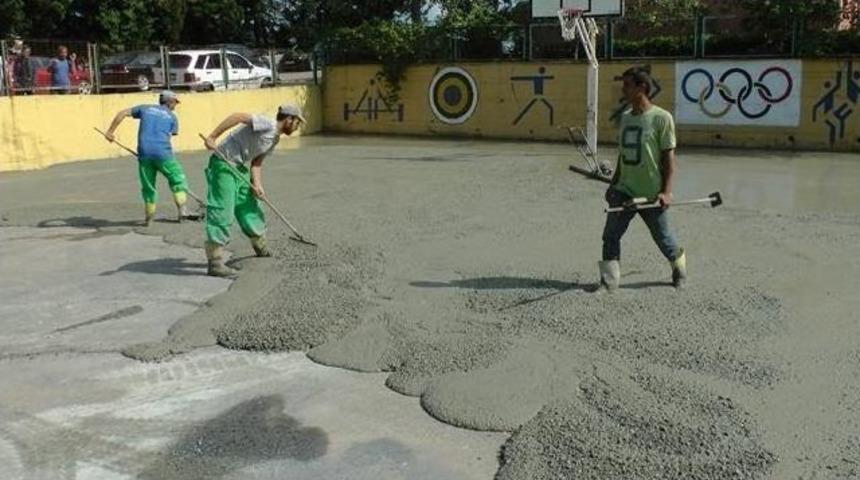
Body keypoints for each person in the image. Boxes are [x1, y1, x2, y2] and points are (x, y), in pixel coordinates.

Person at [599, 67, 686, 291]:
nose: (623, 89)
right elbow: (623, 155)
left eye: (628, 85)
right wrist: (613, 184)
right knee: (610, 236)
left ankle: (679, 269)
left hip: (651, 193)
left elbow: (668, 158)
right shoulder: (626, 118)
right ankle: (609, 281)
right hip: (624, 190)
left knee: (664, 239)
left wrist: (666, 191)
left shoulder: (661, 118)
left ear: (642, 88)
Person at [200, 103, 305, 277]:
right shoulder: (267, 124)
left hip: (238, 166)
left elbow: (256, 162)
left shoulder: (275, 138)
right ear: (289, 119)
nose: (297, 126)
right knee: (223, 210)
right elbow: (238, 116)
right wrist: (212, 137)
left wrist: (257, 185)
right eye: (297, 122)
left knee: (249, 205)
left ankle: (260, 246)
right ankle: (215, 263)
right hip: (223, 163)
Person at [104, 91, 190, 226]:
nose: (175, 106)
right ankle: (182, 211)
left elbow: (122, 113)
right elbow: (167, 137)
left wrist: (110, 132)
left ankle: (149, 217)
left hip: (144, 153)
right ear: (169, 102)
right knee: (177, 178)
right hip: (163, 153)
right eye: (175, 103)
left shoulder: (145, 108)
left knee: (148, 185)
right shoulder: (172, 117)